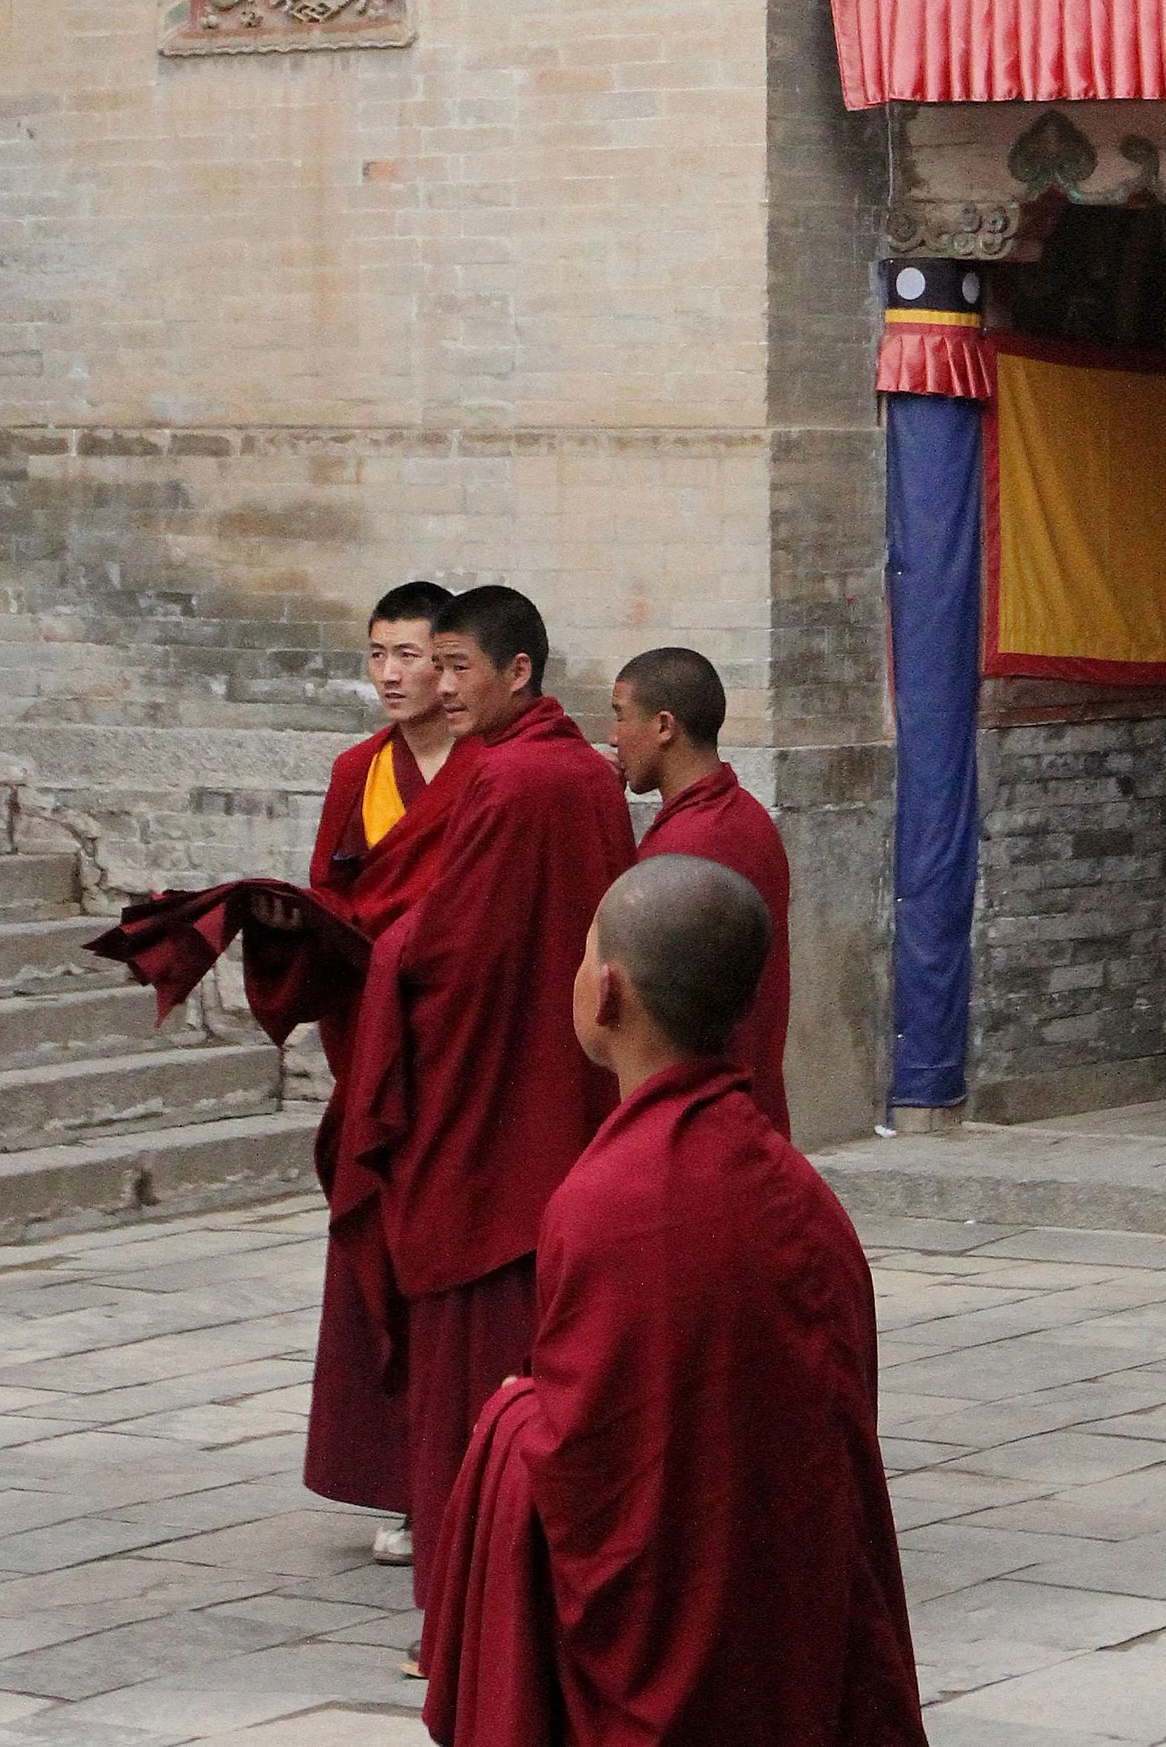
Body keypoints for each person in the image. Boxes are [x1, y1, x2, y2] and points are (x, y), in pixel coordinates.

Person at [423, 853, 925, 1747]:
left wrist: (511, 1420)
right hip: (789, 1646)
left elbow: (593, 1475)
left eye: (584, 956)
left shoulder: (607, 1199)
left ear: (607, 991)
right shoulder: (802, 1191)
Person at [330, 583, 634, 1619]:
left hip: (485, 1104)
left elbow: (450, 943)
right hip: (561, 1080)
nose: (438, 684)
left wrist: (387, 954)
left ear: (518, 673)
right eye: (433, 663)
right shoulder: (586, 772)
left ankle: (477, 1554)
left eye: (459, 666)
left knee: (481, 1321)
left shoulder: (508, 779)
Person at [274, 579, 470, 1564]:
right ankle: (397, 1476)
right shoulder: (359, 770)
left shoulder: (489, 772)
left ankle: (453, 1476)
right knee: (379, 1256)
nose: (392, 673)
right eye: (377, 652)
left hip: (462, 1053)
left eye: (412, 652)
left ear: (455, 662)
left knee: (454, 1271)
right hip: (375, 1049)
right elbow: (330, 899)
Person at [610, 645, 793, 1134]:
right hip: (750, 1099)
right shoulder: (749, 818)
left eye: (621, 717)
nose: (613, 738)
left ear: (664, 726)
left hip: (698, 1114)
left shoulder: (688, 844)